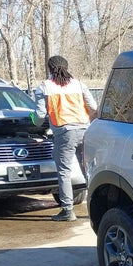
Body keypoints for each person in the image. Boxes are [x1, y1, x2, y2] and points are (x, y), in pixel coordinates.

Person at [35, 55, 97, 221]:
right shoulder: (79, 84)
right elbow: (94, 107)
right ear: (67, 66)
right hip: (85, 130)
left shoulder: (44, 87)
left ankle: (68, 211)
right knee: (89, 171)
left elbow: (39, 116)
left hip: (64, 132)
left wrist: (32, 120)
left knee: (64, 172)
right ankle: (97, 208)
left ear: (49, 68)